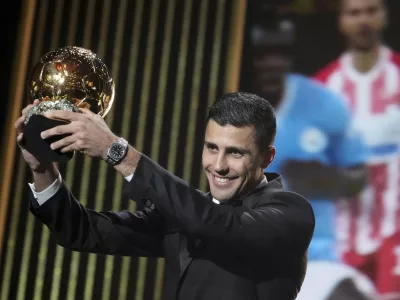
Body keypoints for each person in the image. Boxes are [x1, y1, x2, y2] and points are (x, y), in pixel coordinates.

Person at [15, 93, 315, 300]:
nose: (219, 165)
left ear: (267, 157)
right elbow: (81, 232)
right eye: (212, 148)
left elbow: (217, 224)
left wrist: (117, 151)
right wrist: (42, 169)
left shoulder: (291, 213)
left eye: (235, 152)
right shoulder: (185, 214)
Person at [247, 12, 374, 300]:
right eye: (263, 55)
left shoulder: (324, 104)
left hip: (311, 260)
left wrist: (325, 179)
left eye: (281, 55)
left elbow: (358, 176)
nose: (273, 64)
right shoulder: (221, 112)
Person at [314, 0, 400, 298]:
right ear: (341, 21)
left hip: (396, 236)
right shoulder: (322, 90)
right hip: (342, 240)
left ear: (385, 15)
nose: (363, 19)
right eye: (354, 12)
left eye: (371, 10)